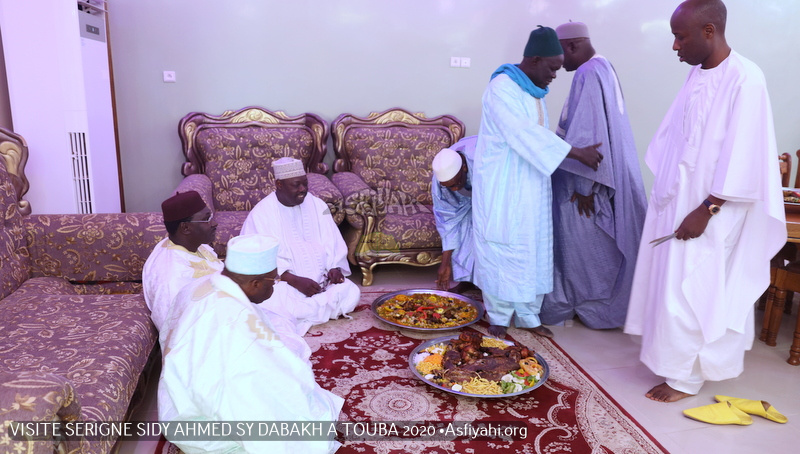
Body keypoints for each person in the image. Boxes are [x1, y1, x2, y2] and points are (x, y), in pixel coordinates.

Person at [624, 0, 785, 402]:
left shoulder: (746, 79)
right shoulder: (697, 75)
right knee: (672, 285)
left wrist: (707, 208)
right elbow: (679, 139)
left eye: (681, 36)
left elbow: (744, 153)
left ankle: (686, 378)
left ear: (709, 31)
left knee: (696, 289)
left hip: (714, 211)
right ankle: (670, 360)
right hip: (679, 201)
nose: (675, 46)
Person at [472, 26, 604, 339]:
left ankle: (530, 317)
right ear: (534, 60)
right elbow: (521, 133)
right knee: (502, 246)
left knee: (531, 248)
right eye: (552, 68)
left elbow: (540, 137)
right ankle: (499, 319)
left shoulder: (533, 91)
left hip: (531, 183)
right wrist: (576, 153)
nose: (555, 75)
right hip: (503, 185)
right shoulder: (501, 87)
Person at [158, 234, 343, 454]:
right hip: (200, 422)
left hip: (177, 400)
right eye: (273, 281)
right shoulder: (235, 319)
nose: (275, 287)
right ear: (255, 283)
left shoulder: (202, 284)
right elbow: (252, 383)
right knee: (299, 402)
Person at [540, 21, 648, 329]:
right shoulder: (604, 66)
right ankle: (610, 309)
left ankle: (589, 309)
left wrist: (585, 187)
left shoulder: (588, 72)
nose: (559, 66)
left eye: (560, 56)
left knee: (583, 248)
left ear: (572, 46)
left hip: (587, 182)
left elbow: (589, 135)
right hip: (612, 174)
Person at [241, 157, 360, 335]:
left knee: (351, 291)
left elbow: (332, 240)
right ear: (279, 184)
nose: (303, 189)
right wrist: (295, 281)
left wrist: (335, 269)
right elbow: (257, 259)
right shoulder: (262, 213)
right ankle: (312, 311)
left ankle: (302, 313)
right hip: (285, 284)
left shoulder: (317, 204)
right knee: (272, 299)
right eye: (296, 185)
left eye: (305, 184)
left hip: (323, 283)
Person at [143, 190, 221, 332]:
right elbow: (175, 332)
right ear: (185, 227)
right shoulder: (171, 278)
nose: (214, 223)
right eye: (206, 219)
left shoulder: (191, 244)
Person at [431, 135, 478, 293]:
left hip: (492, 196)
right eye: (448, 187)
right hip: (464, 203)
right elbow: (447, 222)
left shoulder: (482, 161)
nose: (455, 190)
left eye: (456, 184)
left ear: (464, 168)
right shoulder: (439, 183)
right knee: (463, 227)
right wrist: (444, 264)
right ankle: (466, 280)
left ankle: (488, 284)